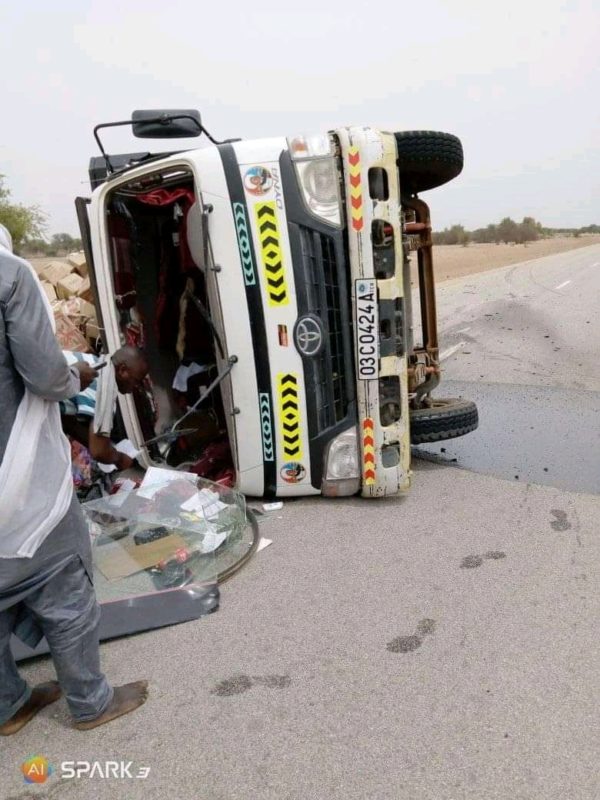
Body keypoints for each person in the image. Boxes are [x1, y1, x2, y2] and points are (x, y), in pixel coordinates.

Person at [0, 224, 148, 735]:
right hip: (13, 478)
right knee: (63, 574)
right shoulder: (9, 276)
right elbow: (45, 378)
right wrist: (73, 378)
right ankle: (90, 701)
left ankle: (8, 704)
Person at [60, 347, 149, 469]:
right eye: (137, 381)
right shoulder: (105, 386)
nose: (137, 387)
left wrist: (106, 447)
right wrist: (120, 459)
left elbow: (69, 423)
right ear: (122, 370)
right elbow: (99, 451)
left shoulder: (94, 361)